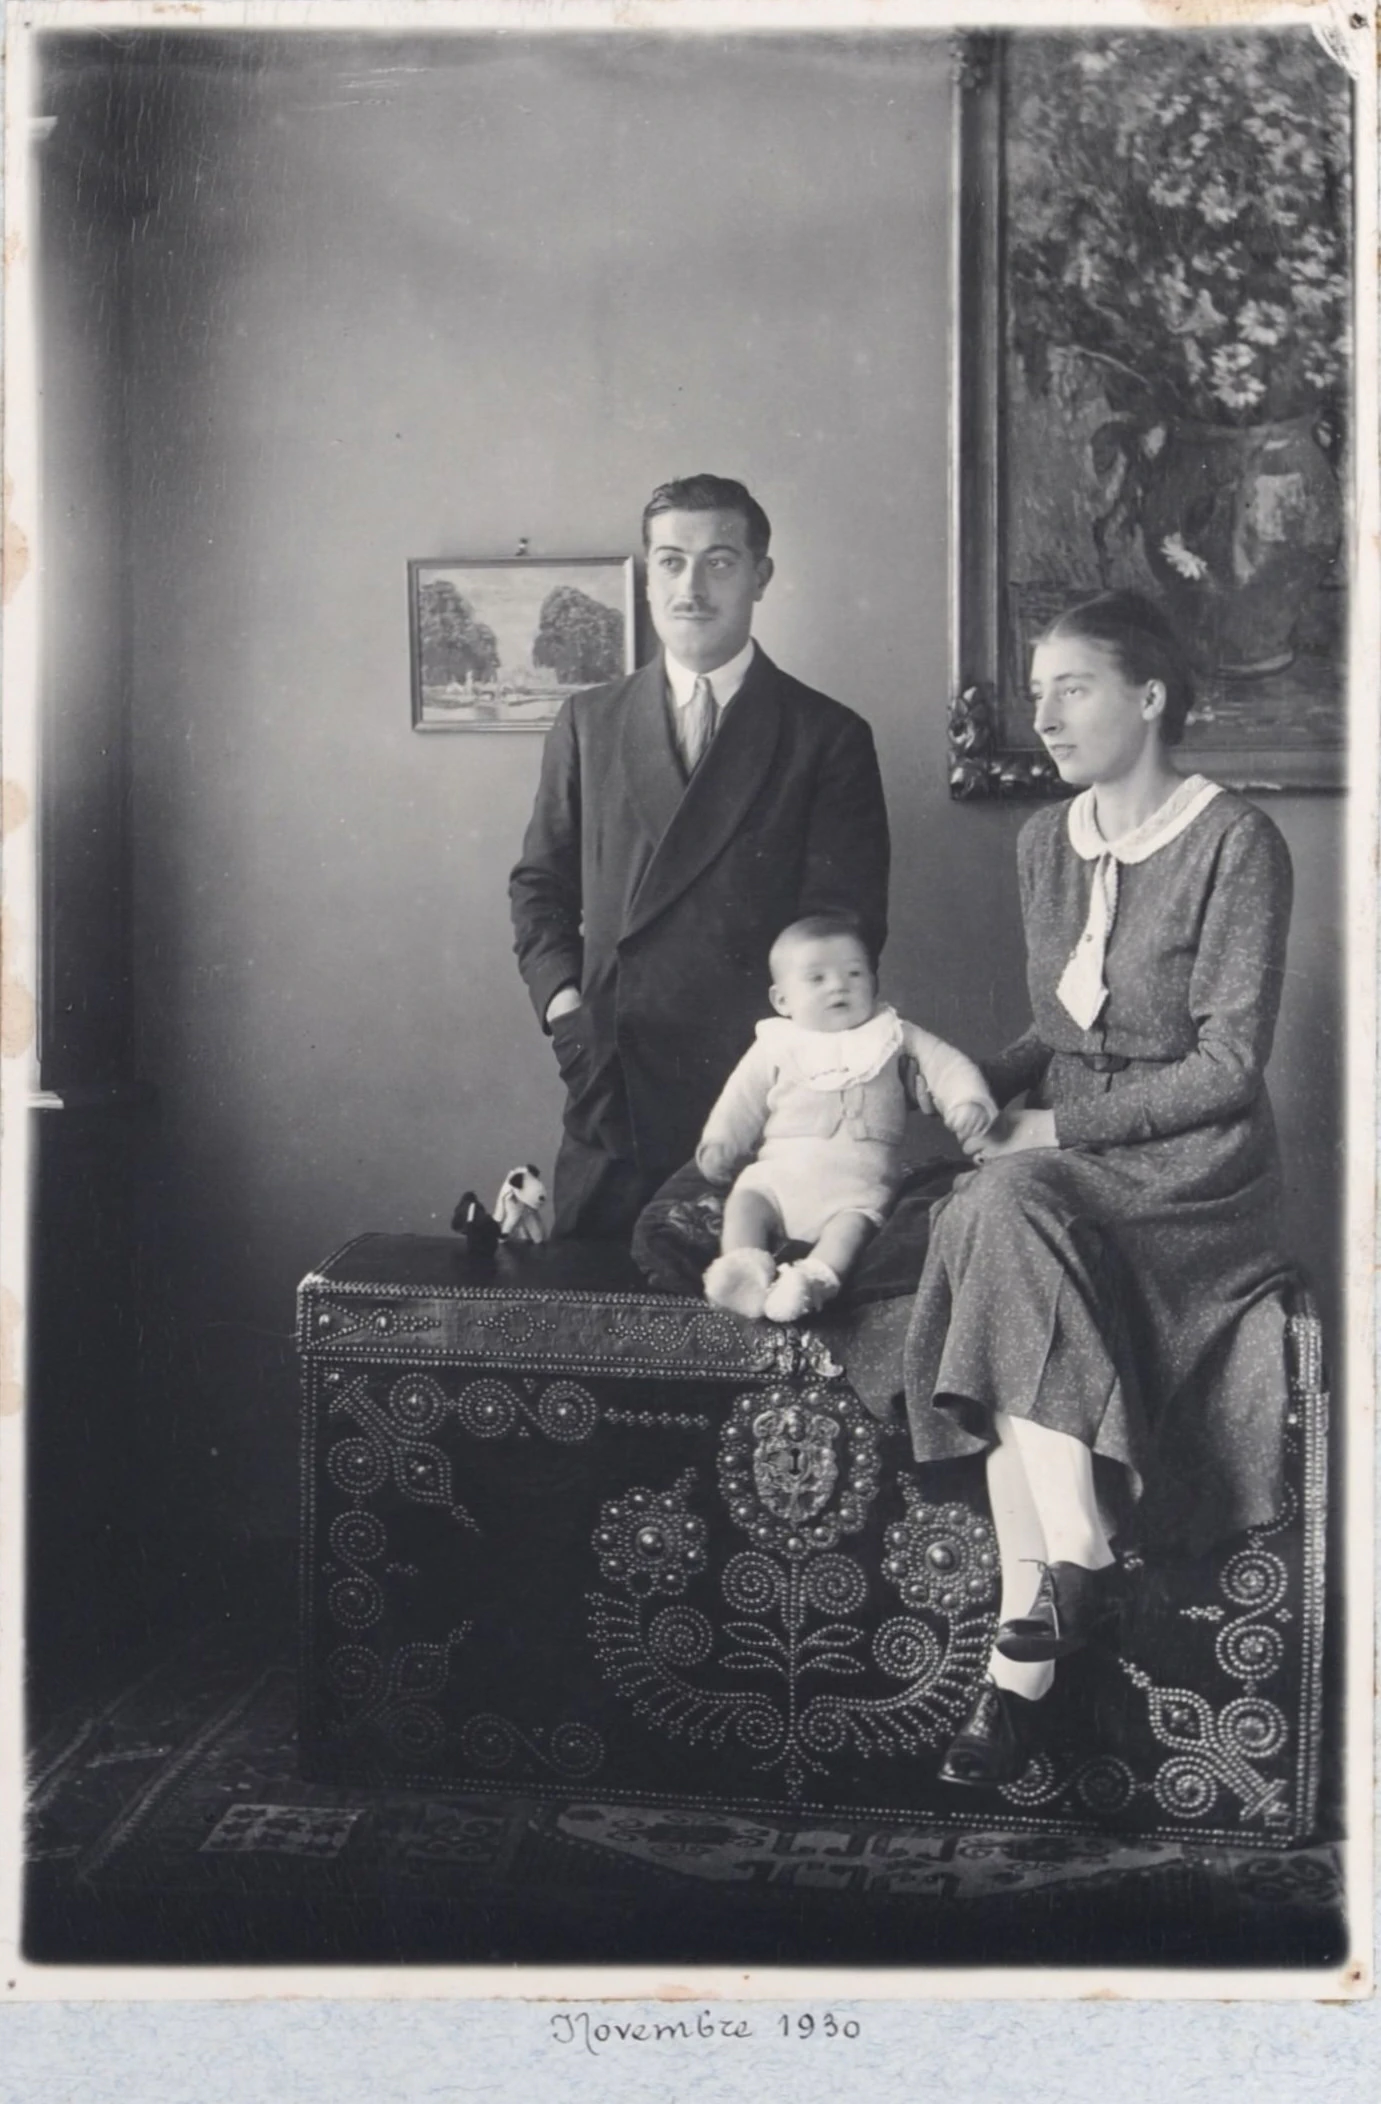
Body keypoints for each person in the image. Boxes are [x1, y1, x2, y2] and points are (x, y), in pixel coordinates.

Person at [902, 589, 1295, 1790]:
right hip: (1067, 1162)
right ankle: (1045, 1621)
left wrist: (1053, 1127)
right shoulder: (1043, 842)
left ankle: (1054, 1589)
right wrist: (976, 1087)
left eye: (1071, 688)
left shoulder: (1236, 842)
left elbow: (1226, 1067)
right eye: (1036, 693)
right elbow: (1060, 1028)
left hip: (1194, 1172)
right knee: (984, 1215)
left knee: (996, 1211)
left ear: (1151, 696)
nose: (1044, 715)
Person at [510, 475, 890, 1240]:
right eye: (670, 562)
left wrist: (789, 1058)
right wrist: (569, 1014)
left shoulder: (826, 735)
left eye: (718, 562)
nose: (690, 587)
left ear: (760, 575)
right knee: (597, 1303)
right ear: (649, 577)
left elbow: (842, 928)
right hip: (612, 1088)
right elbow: (539, 887)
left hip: (762, 1103)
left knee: (744, 1303)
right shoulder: (588, 721)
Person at [696, 911, 996, 1323]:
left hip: (855, 1186)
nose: (839, 985)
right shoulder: (775, 1044)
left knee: (851, 1228)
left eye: (854, 973)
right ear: (782, 1000)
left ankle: (814, 1280)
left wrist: (967, 1102)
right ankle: (742, 1270)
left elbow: (947, 1065)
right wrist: (721, 1142)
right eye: (816, 978)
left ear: (873, 981)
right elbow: (740, 1100)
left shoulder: (893, 1034)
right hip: (779, 1177)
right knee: (745, 1202)